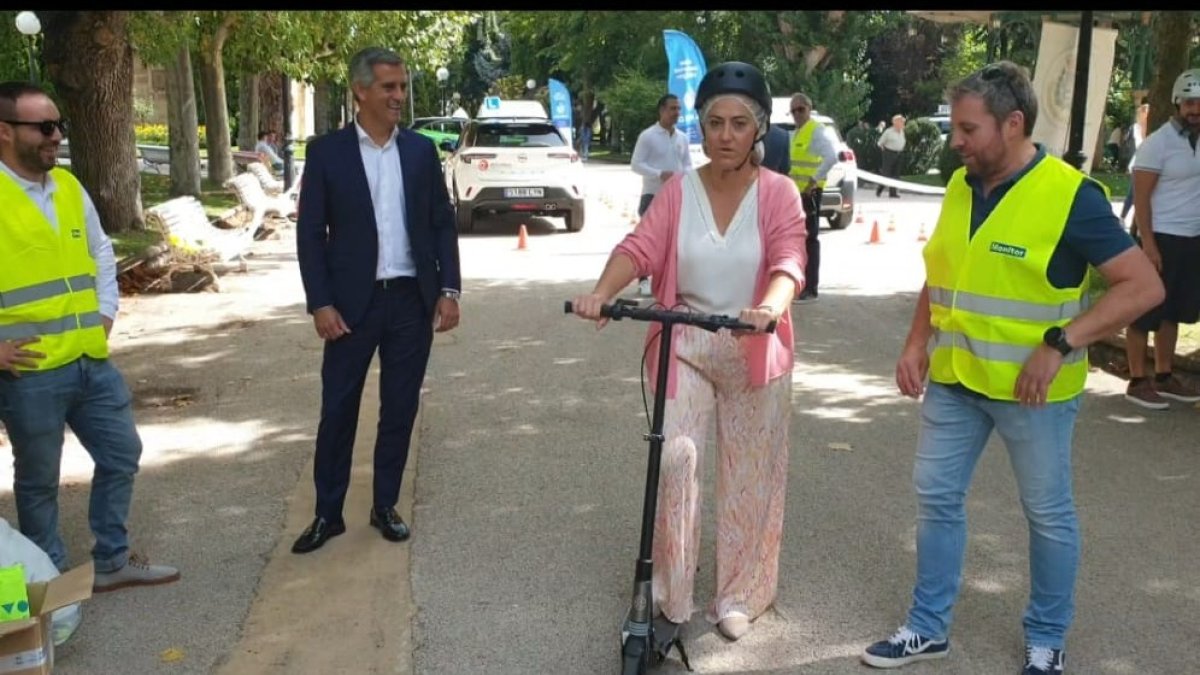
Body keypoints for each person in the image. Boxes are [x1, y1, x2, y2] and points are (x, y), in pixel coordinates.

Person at [861, 61, 1164, 674]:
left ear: (1014, 123)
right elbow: (943, 273)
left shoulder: (1070, 196)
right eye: (956, 129)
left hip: (1033, 394)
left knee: (1047, 517)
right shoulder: (961, 184)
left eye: (969, 130)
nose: (956, 141)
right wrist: (916, 342)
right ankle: (927, 627)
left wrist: (1060, 343)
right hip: (955, 381)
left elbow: (1143, 286)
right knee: (936, 500)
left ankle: (1046, 640)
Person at [570, 61, 806, 643]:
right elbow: (639, 247)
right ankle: (671, 591)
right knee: (676, 460)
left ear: (758, 129)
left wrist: (770, 307)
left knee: (750, 473)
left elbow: (789, 260)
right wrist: (602, 293)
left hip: (754, 344)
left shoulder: (778, 193)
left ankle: (740, 594)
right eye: (714, 122)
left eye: (738, 124)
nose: (725, 135)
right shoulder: (679, 191)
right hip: (686, 339)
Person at [0, 81, 181, 592]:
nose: (56, 136)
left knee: (122, 453)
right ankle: (51, 583)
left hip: (90, 360)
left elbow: (101, 252)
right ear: (5, 132)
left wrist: (105, 311)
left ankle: (111, 560)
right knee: (39, 481)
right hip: (30, 371)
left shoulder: (67, 186)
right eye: (44, 127)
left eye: (59, 125)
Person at [292, 46, 462, 554]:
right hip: (350, 306)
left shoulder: (420, 151)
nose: (398, 96)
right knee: (338, 409)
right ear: (360, 90)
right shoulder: (327, 153)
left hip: (411, 299)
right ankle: (328, 514)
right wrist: (320, 303)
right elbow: (310, 234)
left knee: (400, 408)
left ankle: (385, 504)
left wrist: (449, 289)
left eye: (402, 87)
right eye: (389, 87)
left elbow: (441, 222)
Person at [1121, 70, 1200, 410]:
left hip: (1191, 238)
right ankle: (1138, 380)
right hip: (1160, 235)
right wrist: (1149, 245)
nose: (1195, 110)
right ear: (1178, 103)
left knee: (1173, 310)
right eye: (1190, 103)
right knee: (1145, 309)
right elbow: (1141, 199)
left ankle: (1165, 375)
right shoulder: (1158, 143)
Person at [630, 93, 692, 297]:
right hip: (652, 194)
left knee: (674, 239)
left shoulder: (682, 138)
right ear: (662, 110)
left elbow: (687, 164)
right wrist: (659, 174)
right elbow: (636, 164)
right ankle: (643, 279)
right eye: (673, 108)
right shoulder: (648, 136)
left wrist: (686, 176)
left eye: (679, 109)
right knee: (648, 238)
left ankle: (669, 280)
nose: (677, 113)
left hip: (676, 196)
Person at [787, 92, 838, 303]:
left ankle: (810, 288)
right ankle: (801, 284)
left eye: (801, 109)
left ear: (809, 108)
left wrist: (813, 180)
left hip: (810, 193)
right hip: (796, 194)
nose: (797, 114)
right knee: (797, 239)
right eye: (794, 111)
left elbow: (831, 157)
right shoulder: (797, 133)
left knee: (810, 240)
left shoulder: (816, 130)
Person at [1119, 102, 1149, 228]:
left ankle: (1127, 218)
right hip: (1139, 163)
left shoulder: (1146, 127)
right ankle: (1123, 217)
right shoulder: (1137, 128)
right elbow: (1141, 144)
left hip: (1143, 163)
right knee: (1133, 193)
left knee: (1138, 193)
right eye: (1144, 114)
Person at [876, 114, 906, 198]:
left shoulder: (902, 131)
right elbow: (880, 143)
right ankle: (880, 189)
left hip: (899, 153)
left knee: (896, 174)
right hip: (889, 153)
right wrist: (885, 151)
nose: (903, 123)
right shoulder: (888, 132)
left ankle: (893, 193)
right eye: (901, 121)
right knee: (886, 174)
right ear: (895, 123)